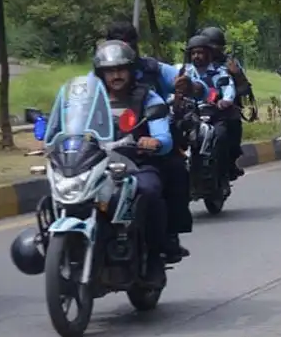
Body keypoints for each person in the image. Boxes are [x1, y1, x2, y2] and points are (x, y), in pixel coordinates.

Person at [93, 22, 192, 261]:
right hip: (96, 161)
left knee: (156, 183)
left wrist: (154, 141)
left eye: (121, 69)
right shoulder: (92, 90)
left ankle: (160, 242)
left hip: (137, 158)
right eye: (109, 70)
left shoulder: (147, 90)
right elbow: (73, 114)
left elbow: (163, 132)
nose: (115, 75)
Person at [181, 35, 237, 182]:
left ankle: (222, 171)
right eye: (193, 53)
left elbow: (228, 88)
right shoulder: (184, 72)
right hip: (189, 114)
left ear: (209, 54)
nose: (196, 56)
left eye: (200, 53)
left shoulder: (220, 72)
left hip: (214, 114)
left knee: (221, 136)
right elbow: (173, 89)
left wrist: (225, 101)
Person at [199, 26, 254, 177]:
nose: (214, 50)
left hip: (226, 109)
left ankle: (230, 162)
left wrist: (237, 75)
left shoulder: (230, 63)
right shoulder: (196, 63)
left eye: (217, 47)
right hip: (200, 107)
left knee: (233, 129)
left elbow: (244, 89)